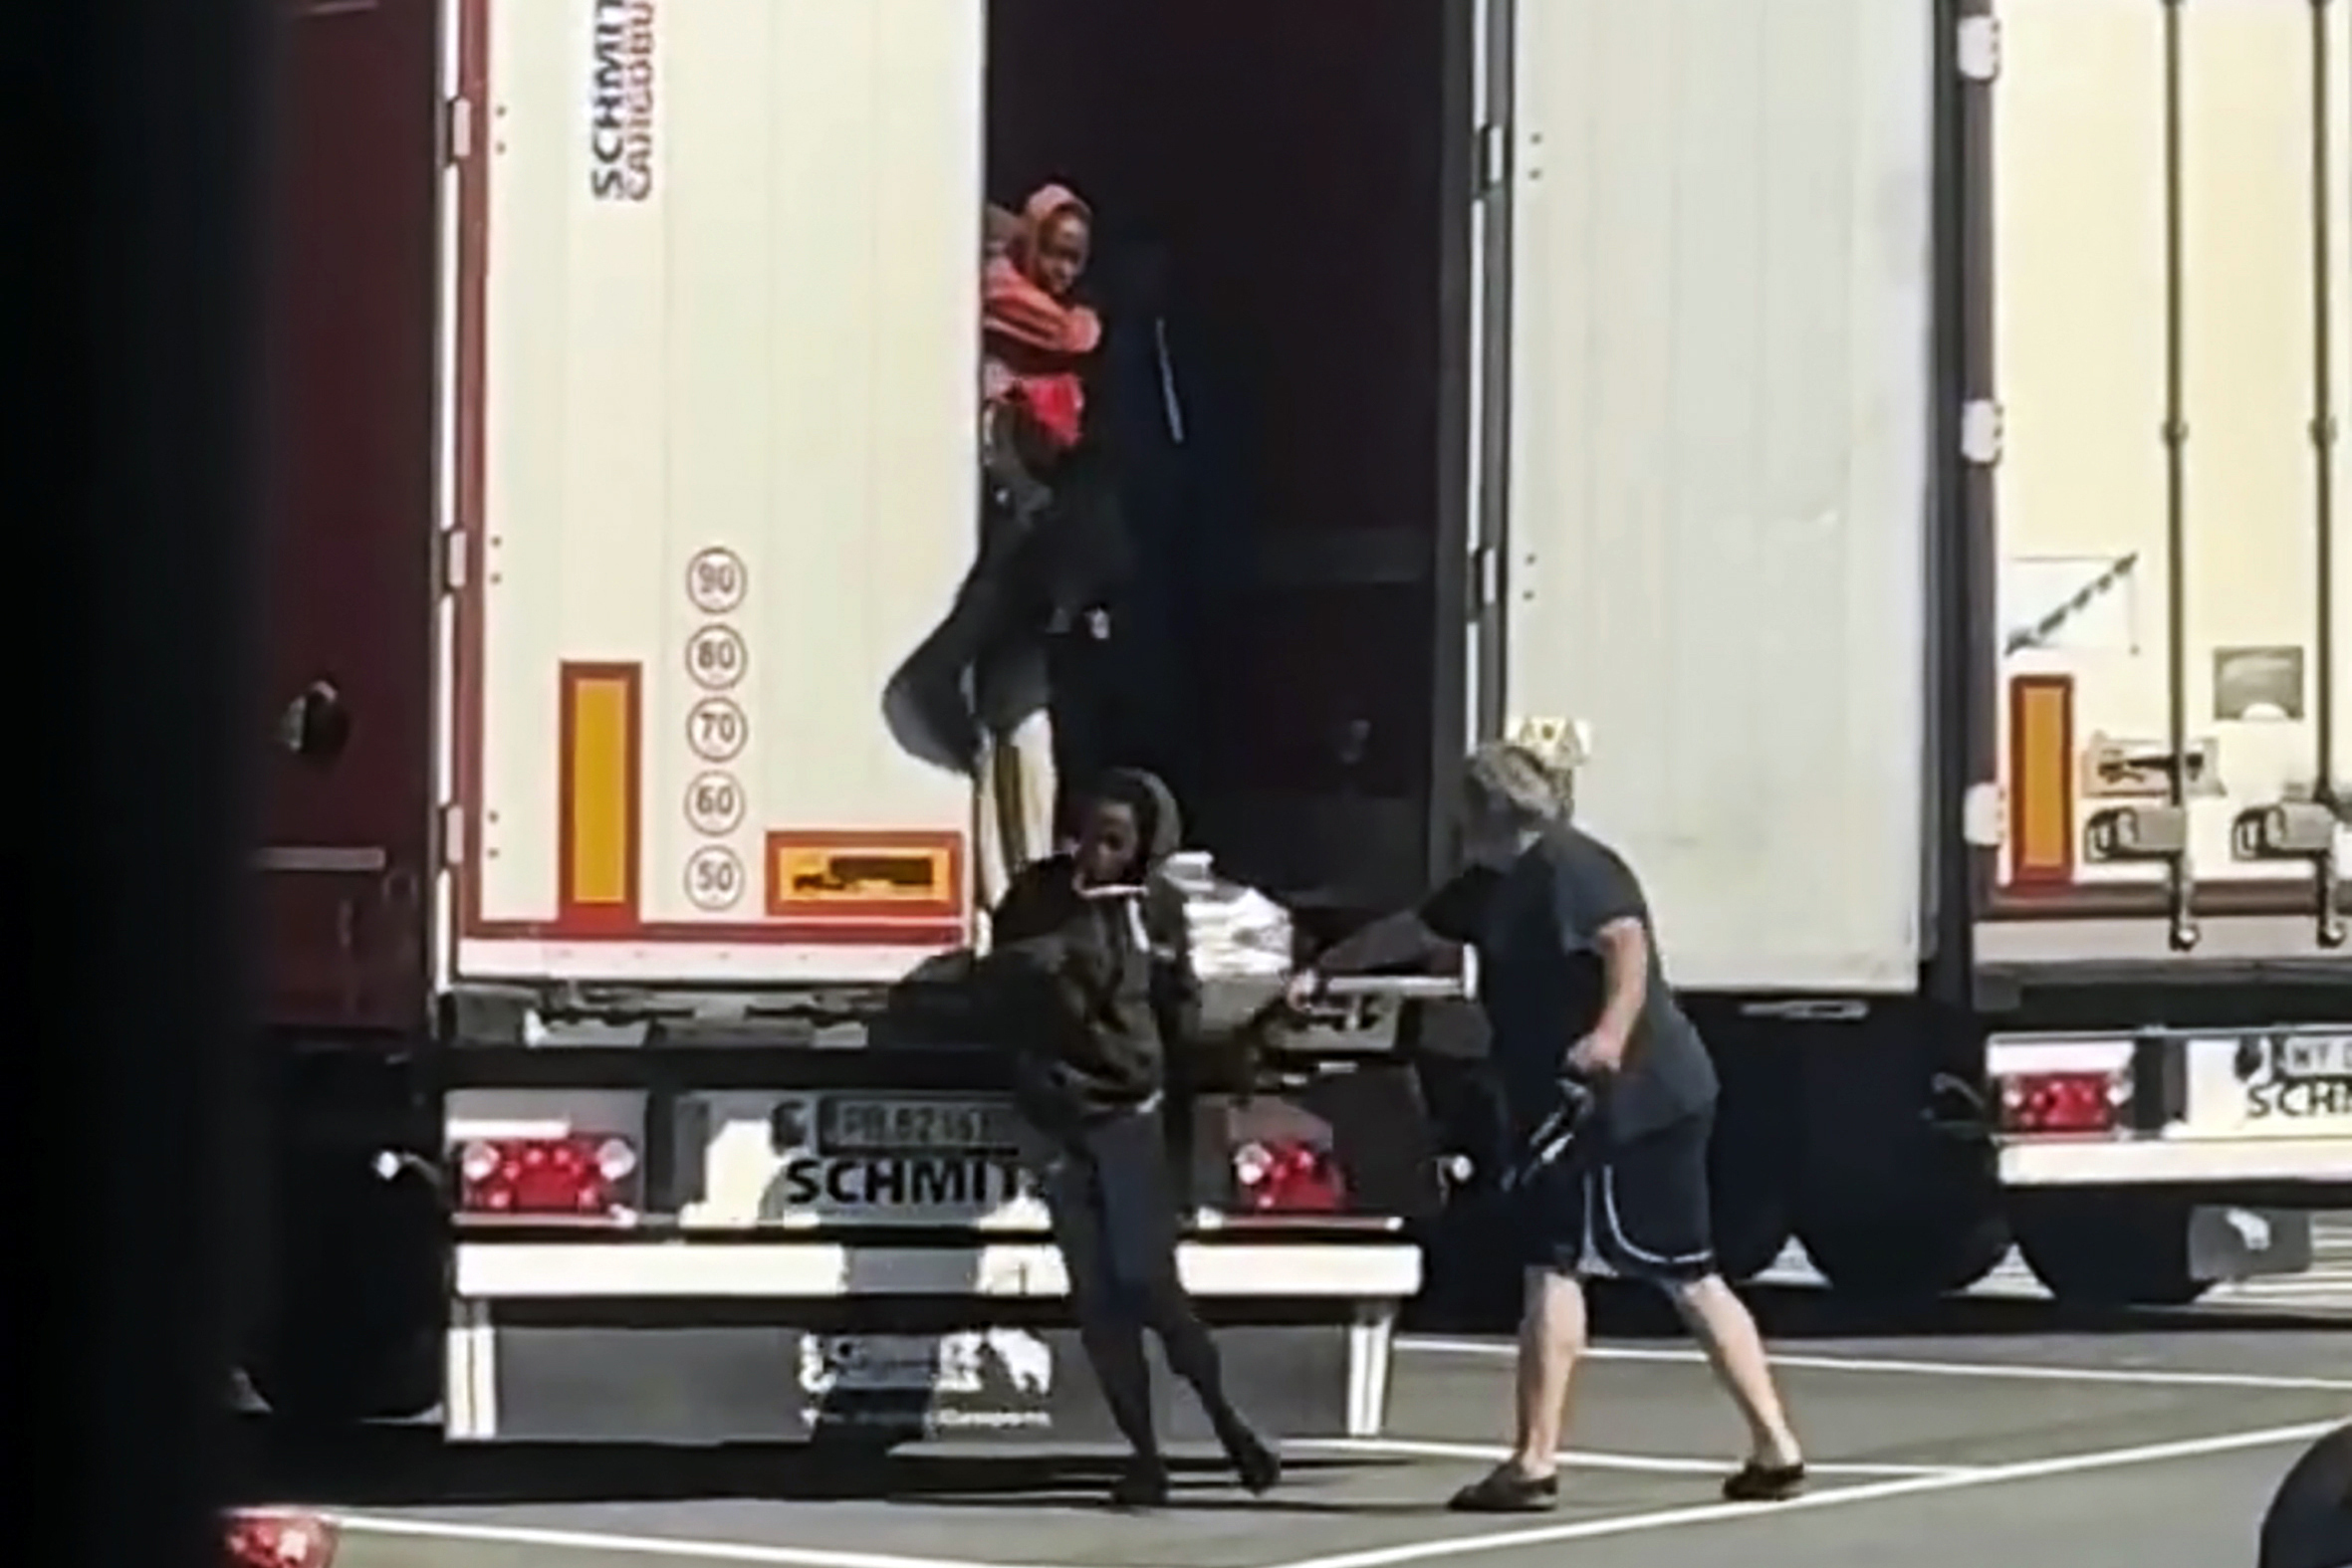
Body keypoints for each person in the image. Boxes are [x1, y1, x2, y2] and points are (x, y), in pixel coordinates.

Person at [1286, 741, 1807, 1511]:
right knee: (1610, 1264)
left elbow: (1625, 945)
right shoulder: (1492, 883)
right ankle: (1770, 1446)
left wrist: (1607, 1035)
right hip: (1593, 1099)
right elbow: (1416, 928)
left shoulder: (1571, 866)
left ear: (1488, 812)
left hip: (1628, 1099)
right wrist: (1325, 969)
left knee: (1630, 1267)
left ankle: (1538, 1461)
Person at [981, 768, 1281, 1507]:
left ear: (1144, 848)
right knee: (1097, 1297)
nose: (1094, 854)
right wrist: (1041, 961)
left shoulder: (1157, 910)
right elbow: (998, 976)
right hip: (1058, 1116)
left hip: (1130, 1112)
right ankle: (1143, 1452)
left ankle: (1222, 1414)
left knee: (1147, 1278)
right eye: (1087, 835)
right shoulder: (1040, 896)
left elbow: (1185, 1010)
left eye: (1115, 842)